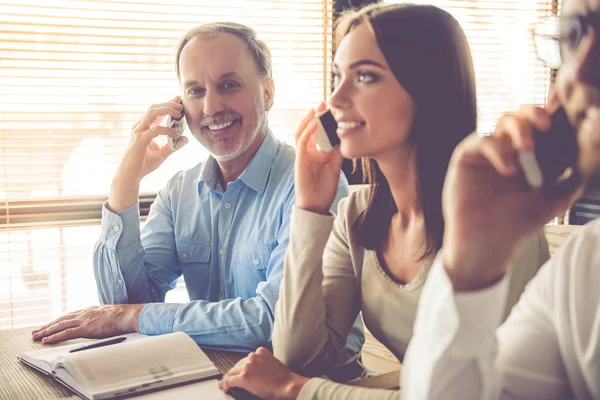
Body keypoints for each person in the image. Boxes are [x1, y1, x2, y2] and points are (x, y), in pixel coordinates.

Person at [218, 4, 550, 399]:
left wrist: (297, 390)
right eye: (338, 76)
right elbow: (300, 358)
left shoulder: (497, 219)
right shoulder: (355, 214)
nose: (336, 98)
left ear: (429, 89)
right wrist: (309, 209)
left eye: (365, 77)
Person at [30, 22, 363, 365]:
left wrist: (134, 316)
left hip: (310, 385)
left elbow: (273, 321)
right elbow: (126, 302)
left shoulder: (312, 186)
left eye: (228, 85)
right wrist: (124, 184)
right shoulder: (179, 192)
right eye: (195, 91)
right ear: (179, 106)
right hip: (213, 376)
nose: (211, 107)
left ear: (267, 93)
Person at [400, 0, 600, 398]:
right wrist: (472, 264)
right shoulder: (584, 266)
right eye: (576, 33)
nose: (578, 73)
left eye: (366, 76)